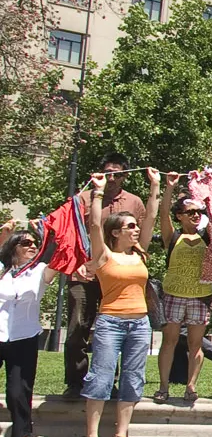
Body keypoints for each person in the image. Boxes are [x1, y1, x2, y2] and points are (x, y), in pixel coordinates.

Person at [81, 168, 161, 437]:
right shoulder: (104, 255)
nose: (135, 229)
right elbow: (93, 223)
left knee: (133, 379)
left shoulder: (139, 254)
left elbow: (150, 218)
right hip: (110, 323)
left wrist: (155, 187)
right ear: (116, 232)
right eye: (129, 226)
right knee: (100, 379)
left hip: (140, 323)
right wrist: (99, 191)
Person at [63, 153, 148, 399]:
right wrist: (76, 263)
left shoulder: (134, 202)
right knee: (78, 326)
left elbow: (140, 236)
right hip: (86, 272)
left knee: (116, 329)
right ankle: (75, 382)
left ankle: (109, 382)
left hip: (118, 274)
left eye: (118, 173)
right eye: (108, 172)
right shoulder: (82, 198)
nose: (112, 178)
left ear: (125, 176)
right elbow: (71, 234)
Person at [1, 222, 57, 437]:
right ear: (13, 247)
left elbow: (59, 260)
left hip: (24, 337)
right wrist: (3, 233)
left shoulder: (40, 271)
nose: (32, 246)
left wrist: (50, 234)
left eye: (35, 242)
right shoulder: (2, 270)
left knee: (17, 392)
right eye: (26, 242)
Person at [153, 174, 212, 403]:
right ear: (180, 216)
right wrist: (169, 187)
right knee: (169, 341)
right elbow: (163, 212)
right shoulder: (173, 237)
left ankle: (191, 386)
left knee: (195, 344)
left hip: (201, 297)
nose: (196, 215)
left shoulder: (207, 237)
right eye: (190, 212)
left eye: (199, 212)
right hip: (173, 296)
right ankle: (163, 386)